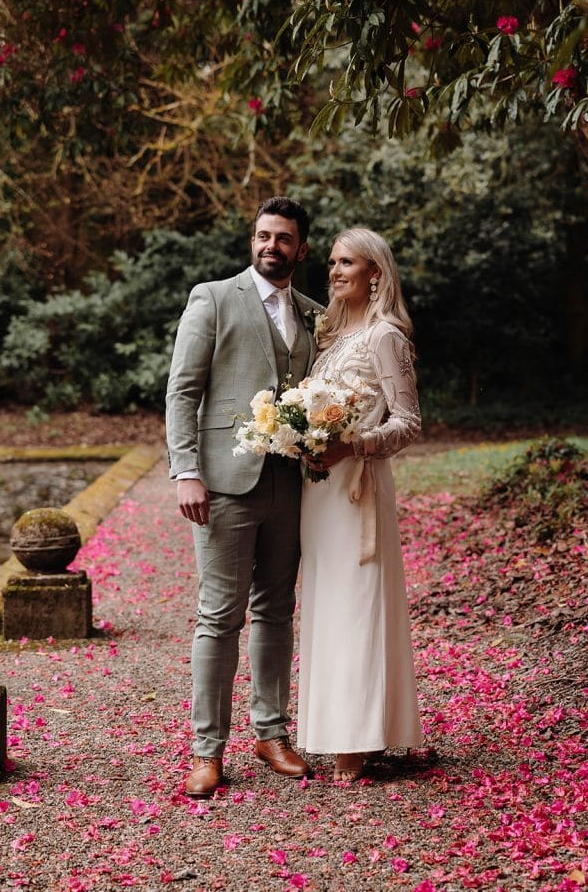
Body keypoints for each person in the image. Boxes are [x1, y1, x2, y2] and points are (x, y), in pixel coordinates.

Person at [166, 196, 325, 797]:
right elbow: (183, 391)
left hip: (289, 483)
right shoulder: (212, 298)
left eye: (283, 238)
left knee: (277, 611)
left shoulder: (314, 314)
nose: (270, 247)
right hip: (223, 484)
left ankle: (271, 733)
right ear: (251, 239)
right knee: (218, 617)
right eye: (263, 235)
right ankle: (207, 750)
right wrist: (186, 470)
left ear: (300, 248)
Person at [296, 227, 423, 782]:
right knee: (326, 604)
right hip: (318, 491)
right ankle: (332, 726)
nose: (335, 270)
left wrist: (356, 444)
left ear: (376, 271)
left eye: (348, 262)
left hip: (360, 488)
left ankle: (360, 735)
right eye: (331, 262)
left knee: (358, 603)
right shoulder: (328, 338)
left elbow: (409, 422)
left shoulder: (384, 336)